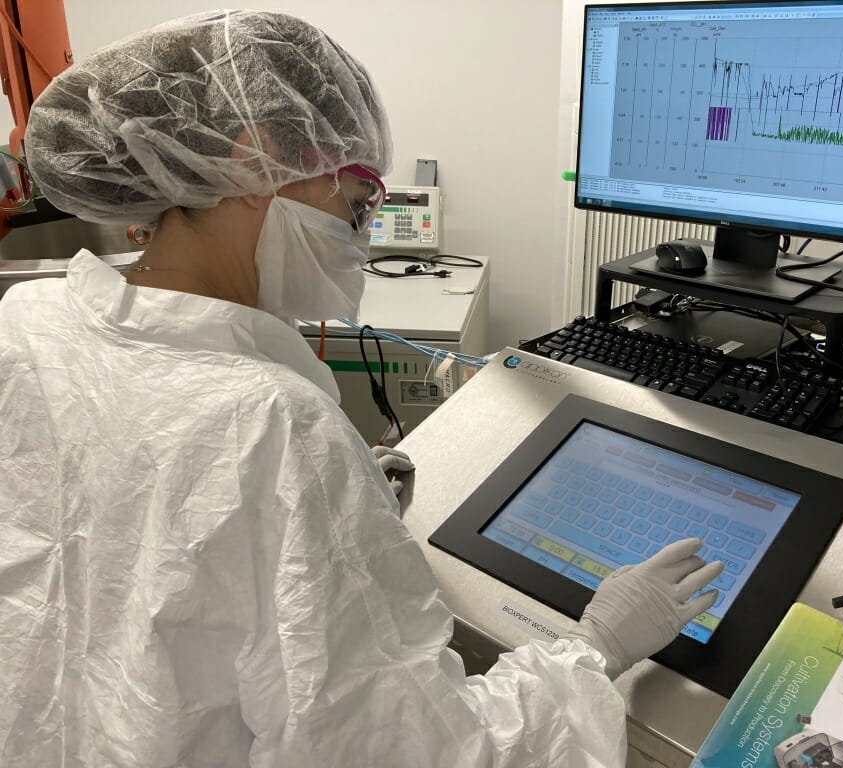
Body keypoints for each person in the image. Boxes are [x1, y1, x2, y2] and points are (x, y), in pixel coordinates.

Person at [0, 11, 722, 767]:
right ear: (255, 166)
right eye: (355, 205)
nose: (360, 239)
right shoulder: (274, 423)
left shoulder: (33, 320)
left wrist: (316, 514)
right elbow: (413, 750)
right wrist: (596, 646)